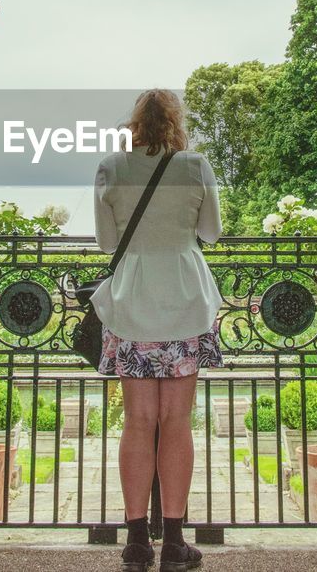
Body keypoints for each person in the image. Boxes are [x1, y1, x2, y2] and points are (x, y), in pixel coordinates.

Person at [91, 88, 223, 572]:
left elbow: (108, 242)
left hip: (133, 305)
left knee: (138, 421)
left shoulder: (110, 167)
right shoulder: (194, 166)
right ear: (175, 122)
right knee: (177, 421)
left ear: (134, 124)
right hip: (185, 302)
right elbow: (210, 232)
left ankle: (134, 543)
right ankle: (173, 543)